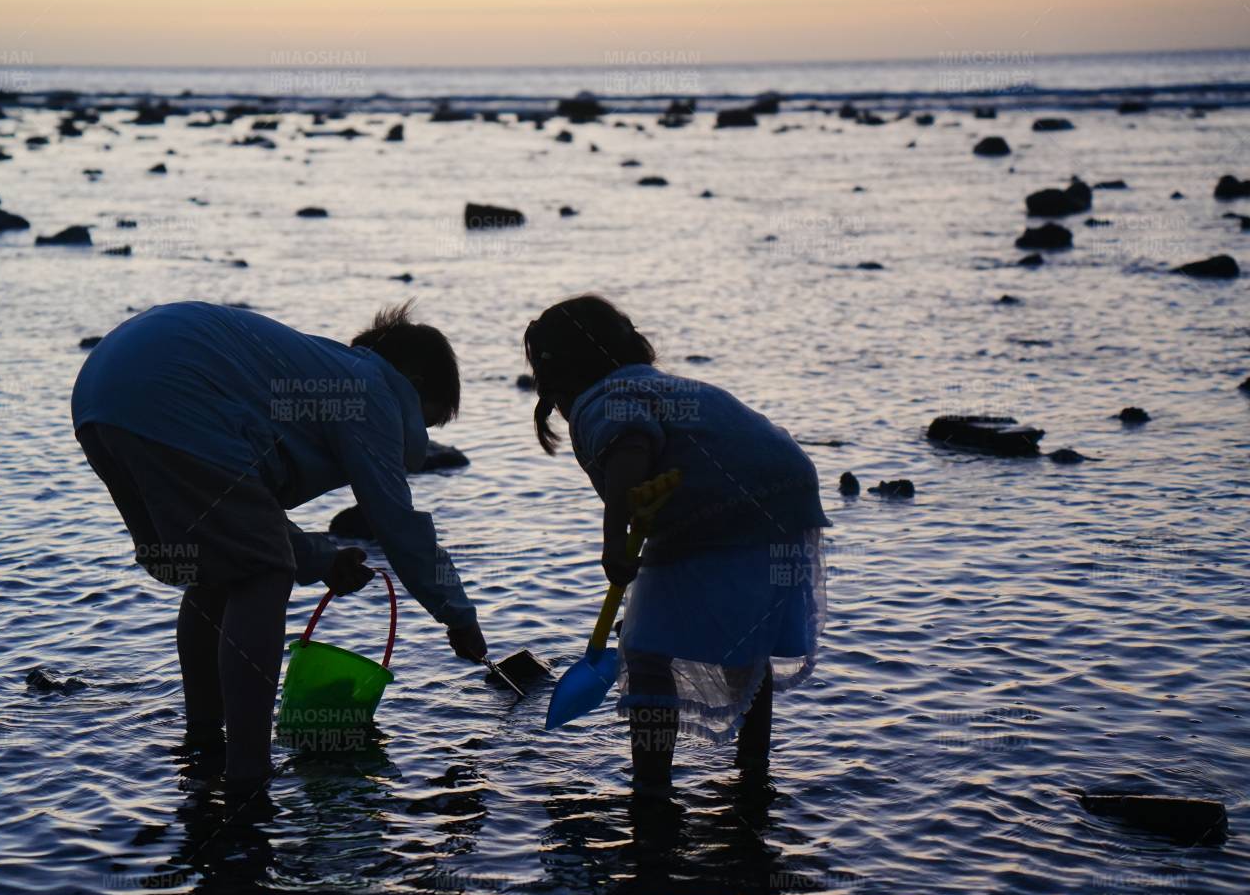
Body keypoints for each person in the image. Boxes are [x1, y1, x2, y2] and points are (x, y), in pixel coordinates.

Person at [72, 301, 485, 791]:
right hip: (171, 389)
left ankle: (203, 740)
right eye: (429, 422)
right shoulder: (370, 390)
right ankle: (248, 773)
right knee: (260, 573)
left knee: (215, 567)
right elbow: (398, 525)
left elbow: (244, 514)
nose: (420, 438)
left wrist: (321, 559)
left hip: (103, 395)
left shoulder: (318, 372)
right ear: (413, 385)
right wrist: (458, 615)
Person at [522, 296, 828, 795]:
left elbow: (631, 450)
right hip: (785, 494)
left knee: (645, 648)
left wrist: (613, 542)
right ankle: (753, 770)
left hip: (726, 510)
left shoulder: (603, 399)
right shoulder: (660, 385)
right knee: (743, 646)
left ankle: (651, 784)